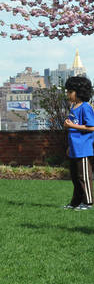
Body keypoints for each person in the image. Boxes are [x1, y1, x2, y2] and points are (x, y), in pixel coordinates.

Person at [63, 76, 94, 210]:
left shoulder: (85, 107)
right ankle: (75, 202)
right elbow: (72, 127)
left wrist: (72, 126)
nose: (68, 94)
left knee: (84, 177)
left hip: (84, 149)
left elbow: (91, 127)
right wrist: (70, 146)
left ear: (79, 91)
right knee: (75, 178)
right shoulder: (74, 107)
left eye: (70, 91)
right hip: (75, 149)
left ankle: (88, 202)